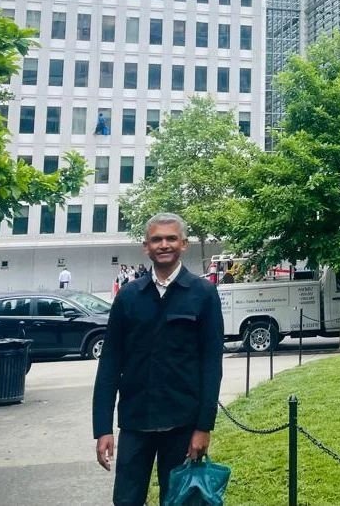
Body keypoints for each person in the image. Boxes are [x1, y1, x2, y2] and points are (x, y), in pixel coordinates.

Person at [93, 213, 224, 506]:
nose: (164, 245)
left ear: (184, 244)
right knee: (126, 500)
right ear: (146, 247)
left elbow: (212, 365)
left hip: (183, 424)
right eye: (156, 239)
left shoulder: (203, 294)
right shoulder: (128, 296)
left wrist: (204, 427)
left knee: (178, 501)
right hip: (135, 422)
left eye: (171, 238)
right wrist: (102, 428)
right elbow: (110, 364)